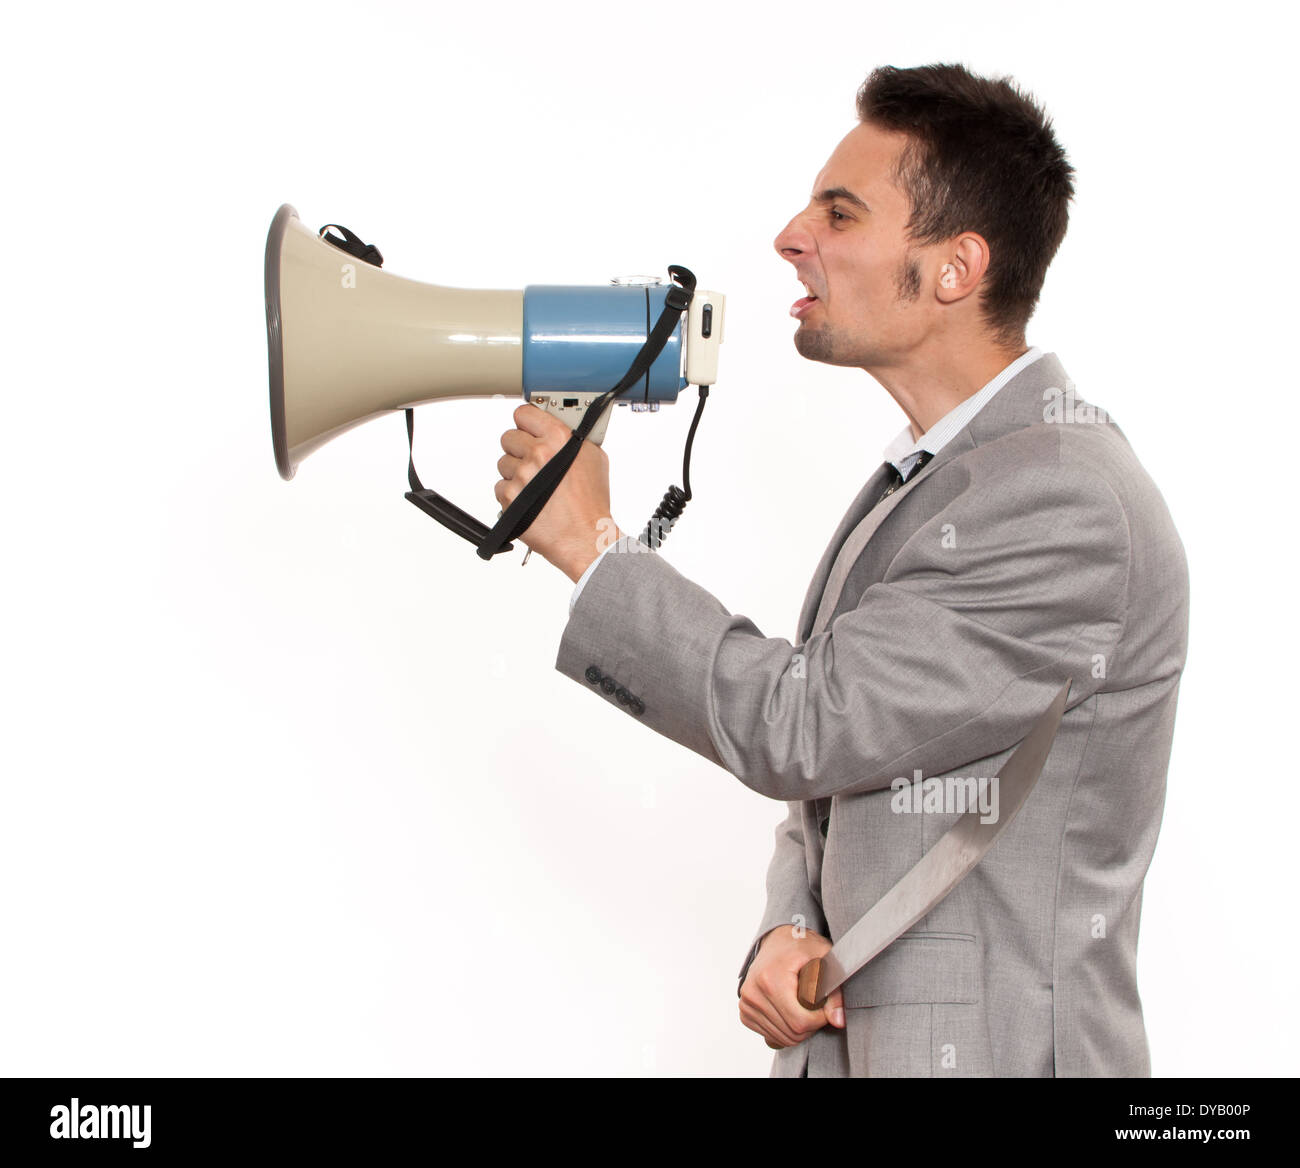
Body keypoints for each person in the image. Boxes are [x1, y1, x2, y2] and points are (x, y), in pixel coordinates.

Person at [492, 62, 1189, 1077]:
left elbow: (805, 724)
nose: (791, 236)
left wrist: (594, 551)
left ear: (954, 269)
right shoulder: (943, 474)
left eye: (840, 212)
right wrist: (788, 927)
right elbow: (848, 772)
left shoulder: (1061, 500)